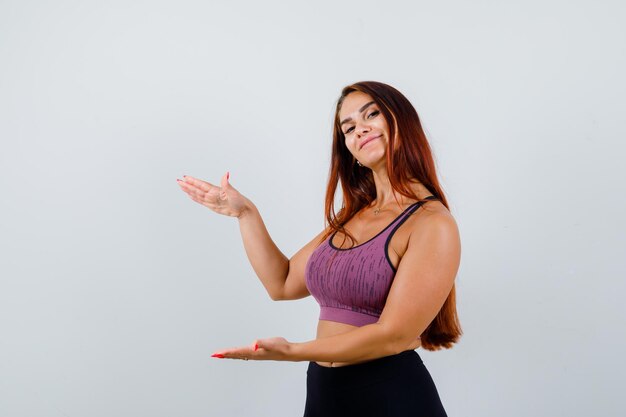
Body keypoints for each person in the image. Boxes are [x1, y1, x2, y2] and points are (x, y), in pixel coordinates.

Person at [176, 81, 462, 416]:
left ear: (402, 121)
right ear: (348, 149)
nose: (360, 129)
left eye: (372, 114)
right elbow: (281, 283)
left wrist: (293, 351)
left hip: (390, 393)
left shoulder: (432, 223)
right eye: (349, 127)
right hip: (326, 393)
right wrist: (245, 213)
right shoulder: (353, 216)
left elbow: (393, 336)